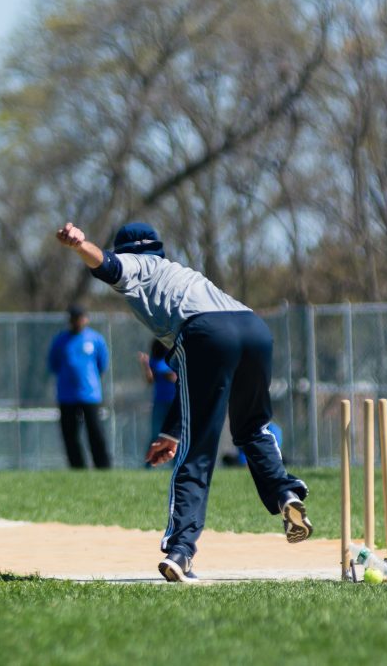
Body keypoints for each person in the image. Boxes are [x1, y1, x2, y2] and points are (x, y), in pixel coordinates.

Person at [55, 221, 311, 583]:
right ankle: (285, 493)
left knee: (199, 452)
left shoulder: (138, 266)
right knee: (253, 427)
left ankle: (181, 551)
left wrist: (80, 245)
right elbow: (193, 388)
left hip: (205, 331)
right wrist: (172, 433)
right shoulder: (180, 273)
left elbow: (107, 264)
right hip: (252, 328)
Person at [48, 304, 111, 469]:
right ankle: (77, 467)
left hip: (90, 394)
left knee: (95, 432)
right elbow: (53, 364)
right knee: (70, 434)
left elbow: (102, 364)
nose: (78, 321)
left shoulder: (95, 339)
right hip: (67, 395)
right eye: (75, 318)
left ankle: (103, 466)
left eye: (81, 317)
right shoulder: (60, 340)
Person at [137, 338, 178, 456]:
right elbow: (150, 380)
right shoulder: (156, 359)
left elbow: (175, 377)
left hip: (175, 402)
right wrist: (145, 365)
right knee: (156, 434)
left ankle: (176, 463)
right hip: (160, 401)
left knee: (175, 435)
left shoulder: (174, 356)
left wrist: (169, 375)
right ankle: (149, 462)